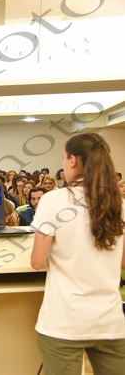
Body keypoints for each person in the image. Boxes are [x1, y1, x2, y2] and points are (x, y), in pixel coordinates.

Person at [31, 133, 125, 374]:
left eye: (64, 158)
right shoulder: (119, 203)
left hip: (65, 320)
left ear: (73, 160)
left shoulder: (53, 200)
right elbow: (123, 262)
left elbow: (38, 262)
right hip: (109, 320)